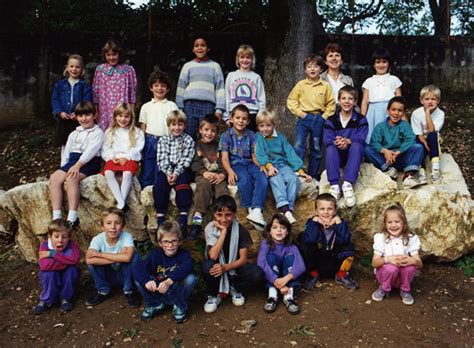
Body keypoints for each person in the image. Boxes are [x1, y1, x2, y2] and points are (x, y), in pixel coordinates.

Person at [202, 195, 264, 313]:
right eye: (219, 215)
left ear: (234, 214)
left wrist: (225, 267)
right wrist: (223, 233)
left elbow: (243, 260)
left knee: (257, 273)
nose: (224, 219)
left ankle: (235, 288)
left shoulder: (241, 230)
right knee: (207, 266)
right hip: (216, 267)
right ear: (214, 215)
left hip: (234, 268)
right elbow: (213, 256)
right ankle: (214, 294)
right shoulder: (209, 228)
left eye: (228, 215)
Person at [49, 101, 103, 228]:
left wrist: (78, 166)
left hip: (89, 162)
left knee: (71, 178)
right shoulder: (74, 133)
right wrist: (63, 167)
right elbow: (66, 152)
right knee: (54, 178)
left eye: (87, 115)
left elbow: (91, 152)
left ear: (95, 115)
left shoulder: (98, 132)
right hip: (73, 161)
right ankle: (56, 216)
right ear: (76, 117)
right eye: (80, 116)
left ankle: (72, 217)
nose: (84, 119)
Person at [254, 109, 312, 224]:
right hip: (269, 165)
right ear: (257, 127)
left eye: (268, 125)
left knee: (293, 179)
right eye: (261, 126)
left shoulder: (281, 138)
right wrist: (269, 166)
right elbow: (260, 154)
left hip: (282, 165)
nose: (265, 129)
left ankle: (286, 210)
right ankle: (286, 209)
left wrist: (300, 170)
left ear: (274, 125)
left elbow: (290, 153)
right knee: (276, 179)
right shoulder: (258, 137)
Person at [133, 221, 197, 323]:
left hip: (175, 291)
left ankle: (179, 306)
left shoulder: (184, 254)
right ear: (160, 243)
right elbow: (138, 268)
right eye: (166, 241)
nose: (170, 245)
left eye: (174, 241)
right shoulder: (155, 254)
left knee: (190, 278)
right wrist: (146, 281)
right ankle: (154, 305)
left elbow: (188, 266)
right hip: (158, 291)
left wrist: (169, 280)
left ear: (180, 241)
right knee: (139, 280)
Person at [219, 105, 268, 230]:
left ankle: (257, 210)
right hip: (235, 164)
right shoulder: (226, 136)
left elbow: (254, 155)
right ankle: (250, 209)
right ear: (231, 119)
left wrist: (261, 166)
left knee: (261, 177)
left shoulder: (252, 135)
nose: (240, 121)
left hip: (250, 162)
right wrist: (229, 171)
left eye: (244, 119)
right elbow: (224, 158)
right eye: (238, 118)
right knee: (244, 179)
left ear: (248, 121)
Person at [287, 54, 336, 178]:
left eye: (316, 66)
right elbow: (291, 101)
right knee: (299, 145)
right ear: (305, 70)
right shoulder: (301, 85)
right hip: (304, 119)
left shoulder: (325, 86)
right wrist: (301, 113)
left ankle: (313, 175)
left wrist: (324, 117)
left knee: (316, 148)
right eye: (309, 67)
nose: (312, 69)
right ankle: (298, 171)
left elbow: (331, 104)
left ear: (321, 69)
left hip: (319, 119)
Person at [299, 193, 358, 291]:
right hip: (317, 264)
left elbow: (345, 239)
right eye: (322, 209)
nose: (326, 212)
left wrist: (338, 223)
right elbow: (310, 239)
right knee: (305, 245)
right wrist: (315, 221)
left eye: (329, 209)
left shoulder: (340, 223)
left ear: (334, 211)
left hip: (334, 262)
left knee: (349, 245)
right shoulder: (312, 223)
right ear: (316, 211)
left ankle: (342, 276)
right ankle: (313, 276)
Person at [364, 97, 426, 189]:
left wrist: (399, 152)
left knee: (418, 147)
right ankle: (388, 170)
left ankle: (408, 176)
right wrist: (384, 151)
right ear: (388, 111)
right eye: (393, 109)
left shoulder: (404, 125)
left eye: (400, 110)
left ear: (403, 113)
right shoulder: (380, 126)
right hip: (385, 159)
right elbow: (374, 142)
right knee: (367, 149)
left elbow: (410, 140)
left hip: (400, 157)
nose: (396, 113)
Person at [85, 207, 140, 307]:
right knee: (92, 264)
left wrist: (100, 255)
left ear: (122, 226)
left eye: (117, 223)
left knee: (134, 257)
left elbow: (127, 258)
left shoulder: (127, 237)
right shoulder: (97, 239)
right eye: (108, 223)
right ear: (102, 226)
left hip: (124, 275)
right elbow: (89, 260)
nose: (113, 227)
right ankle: (103, 291)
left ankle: (130, 291)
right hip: (108, 276)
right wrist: (118, 258)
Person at [323, 86, 368, 207]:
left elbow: (362, 137)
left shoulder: (361, 119)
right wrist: (337, 142)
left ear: (355, 102)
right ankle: (335, 186)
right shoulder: (331, 120)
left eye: (350, 99)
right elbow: (327, 138)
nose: (346, 101)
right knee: (330, 148)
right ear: (339, 100)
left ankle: (347, 184)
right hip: (337, 155)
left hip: (353, 155)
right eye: (343, 98)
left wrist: (348, 141)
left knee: (357, 146)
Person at [371, 204, 423, 305]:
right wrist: (388, 259)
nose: (393, 225)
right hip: (385, 274)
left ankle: (405, 289)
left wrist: (412, 261)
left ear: (404, 223)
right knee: (391, 268)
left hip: (401, 276)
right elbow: (374, 263)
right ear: (385, 224)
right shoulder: (381, 238)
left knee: (410, 267)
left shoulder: (410, 238)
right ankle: (384, 288)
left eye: (397, 221)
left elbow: (420, 265)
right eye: (389, 222)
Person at [153, 110, 195, 235]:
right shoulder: (163, 140)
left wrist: (176, 173)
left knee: (183, 185)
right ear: (169, 125)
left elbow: (186, 159)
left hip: (182, 169)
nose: (176, 128)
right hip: (166, 169)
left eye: (180, 125)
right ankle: (160, 217)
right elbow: (161, 159)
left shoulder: (188, 140)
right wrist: (168, 173)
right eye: (173, 125)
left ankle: (183, 217)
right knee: (160, 185)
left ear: (185, 125)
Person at [176, 37, 225, 139]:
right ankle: (188, 155)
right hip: (189, 105)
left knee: (207, 134)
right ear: (193, 49)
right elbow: (181, 87)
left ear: (208, 48)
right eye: (196, 46)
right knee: (188, 135)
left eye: (203, 45)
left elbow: (220, 89)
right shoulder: (187, 66)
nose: (200, 48)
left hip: (208, 105)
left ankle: (204, 155)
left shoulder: (215, 66)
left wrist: (219, 110)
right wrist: (180, 108)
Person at [189, 114, 228, 240]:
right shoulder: (196, 145)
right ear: (200, 130)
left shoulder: (220, 145)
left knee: (222, 190)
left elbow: (225, 161)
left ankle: (221, 218)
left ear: (217, 133)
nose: (209, 133)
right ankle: (197, 220)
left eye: (213, 131)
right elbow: (194, 162)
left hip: (218, 175)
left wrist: (223, 174)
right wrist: (203, 172)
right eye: (206, 130)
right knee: (203, 187)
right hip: (203, 174)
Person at [257, 213, 305, 315]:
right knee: (269, 257)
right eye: (275, 227)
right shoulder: (266, 244)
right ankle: (272, 295)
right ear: (269, 231)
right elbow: (261, 263)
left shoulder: (291, 246)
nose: (279, 230)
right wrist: (276, 282)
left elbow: (300, 266)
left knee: (291, 257)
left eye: (283, 227)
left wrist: (285, 279)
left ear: (287, 232)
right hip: (273, 278)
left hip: (286, 277)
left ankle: (289, 297)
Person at [138, 71, 178, 188]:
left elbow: (175, 126)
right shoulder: (146, 106)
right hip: (150, 141)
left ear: (168, 89)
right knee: (147, 169)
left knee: (161, 169)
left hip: (166, 141)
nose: (159, 88)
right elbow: (143, 127)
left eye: (163, 86)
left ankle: (159, 193)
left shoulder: (172, 106)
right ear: (151, 88)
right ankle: (145, 193)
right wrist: (141, 145)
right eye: (156, 85)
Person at [102, 103, 144, 211]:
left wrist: (126, 157)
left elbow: (138, 148)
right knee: (108, 173)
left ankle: (121, 204)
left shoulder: (137, 132)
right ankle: (121, 202)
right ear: (115, 116)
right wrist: (112, 157)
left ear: (131, 118)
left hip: (129, 159)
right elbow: (106, 148)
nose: (123, 119)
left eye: (126, 116)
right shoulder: (110, 131)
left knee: (127, 174)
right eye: (120, 116)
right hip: (114, 158)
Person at [33, 219, 80, 315]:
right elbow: (45, 266)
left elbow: (74, 259)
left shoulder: (72, 245)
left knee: (72, 269)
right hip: (51, 276)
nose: (60, 240)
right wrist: (66, 261)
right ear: (50, 237)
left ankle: (65, 298)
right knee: (48, 272)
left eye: (64, 237)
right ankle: (47, 299)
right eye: (56, 236)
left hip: (66, 277)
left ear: (69, 237)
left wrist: (52, 254)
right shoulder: (44, 246)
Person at [51, 54, 92, 163]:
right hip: (64, 120)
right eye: (72, 66)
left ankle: (78, 166)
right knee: (65, 144)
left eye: (77, 67)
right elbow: (55, 100)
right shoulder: (60, 85)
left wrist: (78, 113)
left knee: (80, 143)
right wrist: (59, 112)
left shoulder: (85, 86)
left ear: (82, 69)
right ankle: (64, 166)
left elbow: (87, 101)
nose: (74, 69)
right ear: (67, 68)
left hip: (79, 121)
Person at [93, 40, 137, 131]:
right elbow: (95, 92)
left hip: (122, 107)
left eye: (114, 54)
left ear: (119, 54)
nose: (111, 57)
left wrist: (132, 110)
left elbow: (132, 92)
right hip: (104, 108)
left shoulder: (128, 70)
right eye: (108, 55)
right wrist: (96, 110)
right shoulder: (100, 69)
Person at [360, 47, 402, 143]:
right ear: (373, 65)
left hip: (390, 111)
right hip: (373, 112)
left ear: (388, 64)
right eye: (378, 62)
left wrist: (400, 113)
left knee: (390, 136)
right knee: (374, 137)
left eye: (384, 62)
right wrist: (362, 118)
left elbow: (399, 100)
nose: (381, 65)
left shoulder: (394, 79)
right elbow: (365, 101)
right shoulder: (369, 81)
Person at [224, 44, 266, 131]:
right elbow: (226, 96)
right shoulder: (231, 76)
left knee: (251, 141)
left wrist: (260, 117)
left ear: (252, 59)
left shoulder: (256, 77)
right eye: (242, 57)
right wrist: (226, 117)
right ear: (237, 59)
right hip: (235, 114)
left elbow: (261, 99)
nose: (245, 60)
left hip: (252, 114)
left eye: (248, 57)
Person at [410, 85, 445, 182]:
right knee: (419, 146)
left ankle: (435, 168)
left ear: (438, 101)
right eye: (427, 99)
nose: (430, 101)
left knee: (432, 135)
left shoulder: (440, 113)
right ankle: (421, 171)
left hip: (432, 138)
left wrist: (427, 113)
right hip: (420, 138)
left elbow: (432, 130)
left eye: (433, 99)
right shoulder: (416, 113)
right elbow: (418, 133)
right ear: (421, 101)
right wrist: (424, 144)